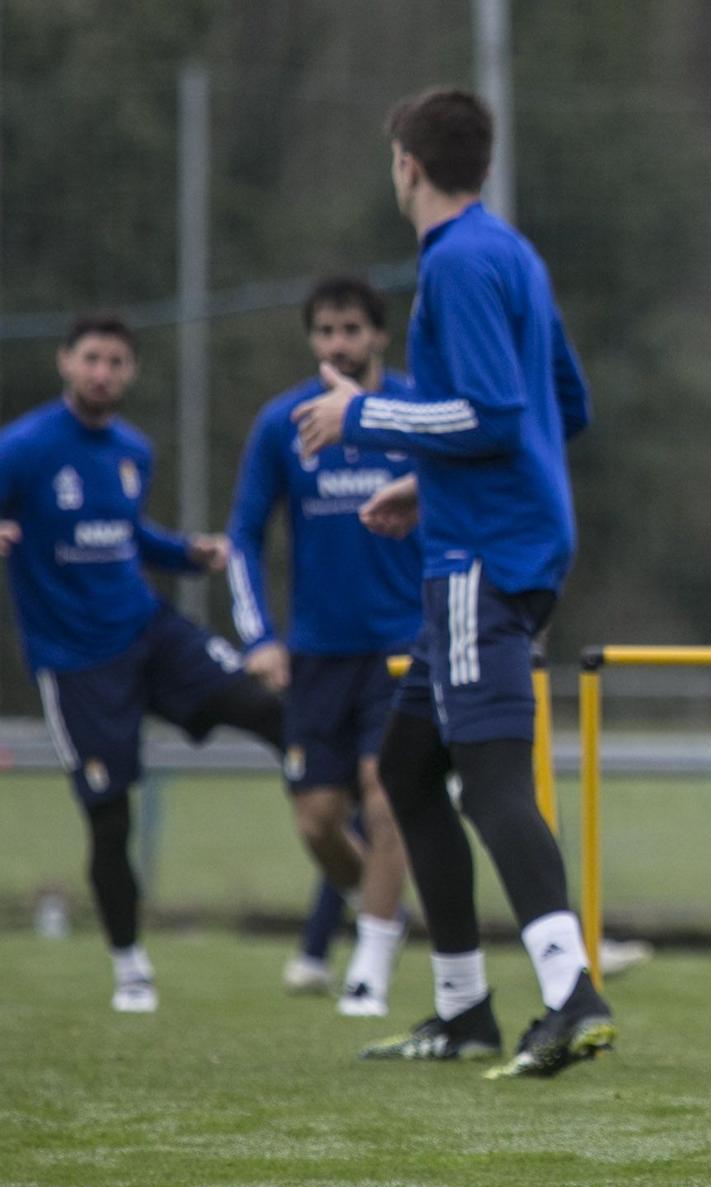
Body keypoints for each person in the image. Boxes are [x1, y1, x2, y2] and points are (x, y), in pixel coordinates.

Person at [290, 87, 600, 1078]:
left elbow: (495, 416)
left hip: (483, 560)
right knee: (411, 770)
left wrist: (368, 419)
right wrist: (425, 484)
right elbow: (567, 407)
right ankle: (463, 1006)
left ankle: (571, 991)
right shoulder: (509, 254)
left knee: (492, 778)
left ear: (406, 166)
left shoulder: (460, 262)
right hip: (489, 537)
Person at [0, 315, 347, 1012]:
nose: (104, 373)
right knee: (109, 818)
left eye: (118, 362)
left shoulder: (131, 449)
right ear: (66, 362)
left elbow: (123, 536)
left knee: (274, 712)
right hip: (77, 663)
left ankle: (346, 845)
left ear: (130, 373)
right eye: (92, 358)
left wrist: (184, 553)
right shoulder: (24, 447)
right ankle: (130, 964)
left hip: (151, 633)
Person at [227, 276, 423, 1017]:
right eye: (325, 332)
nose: (338, 345)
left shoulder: (411, 414)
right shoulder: (282, 424)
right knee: (317, 819)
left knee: (386, 795)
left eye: (351, 330)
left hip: (402, 647)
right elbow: (243, 533)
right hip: (315, 653)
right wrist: (259, 637)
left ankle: (368, 967)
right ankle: (385, 906)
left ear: (378, 336)